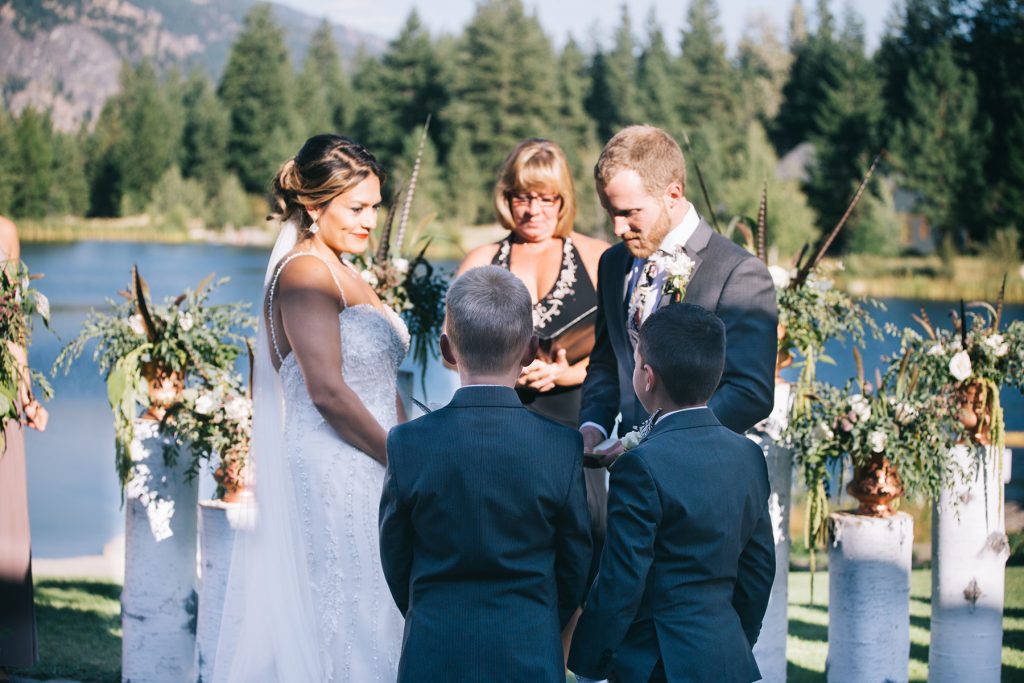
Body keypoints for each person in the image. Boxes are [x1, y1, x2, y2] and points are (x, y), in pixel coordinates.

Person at [214, 135, 405, 681]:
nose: (371, 219)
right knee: (349, 610)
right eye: (357, 207)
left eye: (375, 205)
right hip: (337, 464)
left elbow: (378, 379)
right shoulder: (304, 273)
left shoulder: (343, 268)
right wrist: (400, 455)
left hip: (373, 459)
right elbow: (326, 390)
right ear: (315, 206)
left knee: (377, 604)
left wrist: (414, 445)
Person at [379, 266, 592, 682]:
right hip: (528, 646)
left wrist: (429, 611)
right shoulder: (561, 447)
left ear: (446, 348)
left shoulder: (407, 444)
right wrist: (542, 617)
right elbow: (575, 563)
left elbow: (396, 556)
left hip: (434, 648)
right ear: (531, 349)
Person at [568, 303, 775, 683]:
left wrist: (587, 663)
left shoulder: (639, 465)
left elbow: (621, 579)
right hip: (725, 657)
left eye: (635, 362)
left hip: (656, 663)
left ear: (647, 376)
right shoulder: (748, 454)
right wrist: (733, 641)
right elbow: (759, 568)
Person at [456, 138, 609, 587]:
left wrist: (568, 372)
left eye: (546, 198)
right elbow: (453, 354)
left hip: (576, 429)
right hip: (498, 429)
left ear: (564, 200)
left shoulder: (600, 258)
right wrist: (504, 370)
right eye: (522, 197)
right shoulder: (481, 261)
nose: (533, 210)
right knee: (503, 554)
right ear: (506, 198)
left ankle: (563, 659)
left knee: (581, 560)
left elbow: (625, 353)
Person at [579, 125, 777, 465]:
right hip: (628, 481)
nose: (617, 228)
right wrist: (591, 426)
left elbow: (750, 393)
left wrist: (649, 440)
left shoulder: (738, 273)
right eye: (610, 212)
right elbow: (606, 363)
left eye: (629, 213)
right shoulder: (613, 264)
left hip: (701, 475)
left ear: (673, 194)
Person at [0, 216, 49, 681]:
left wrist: (27, 394)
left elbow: (14, 327)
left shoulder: (5, 232)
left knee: (4, 526)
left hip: (1, 396)